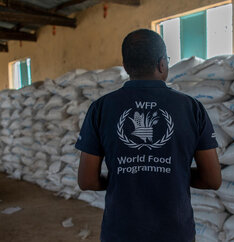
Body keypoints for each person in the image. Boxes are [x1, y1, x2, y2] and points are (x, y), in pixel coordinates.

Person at [75, 28, 222, 242]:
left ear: (126, 66)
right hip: (175, 233)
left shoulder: (101, 108)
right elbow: (212, 179)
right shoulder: (191, 108)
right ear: (162, 63)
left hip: (120, 233)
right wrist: (173, 171)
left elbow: (87, 181)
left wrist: (122, 175)